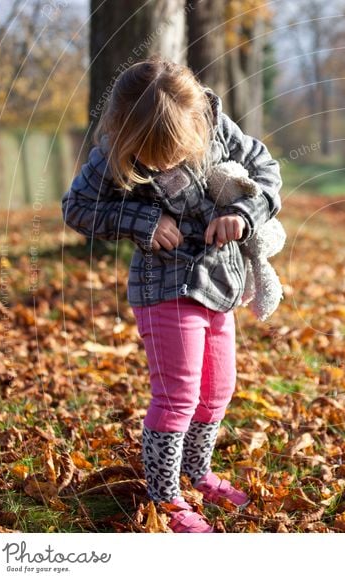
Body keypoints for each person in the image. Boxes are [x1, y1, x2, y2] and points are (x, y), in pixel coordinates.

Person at [61, 57, 283, 533]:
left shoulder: (217, 127)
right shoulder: (110, 153)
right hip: (162, 289)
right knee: (177, 394)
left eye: (176, 152)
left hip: (220, 285)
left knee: (218, 389)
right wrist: (141, 221)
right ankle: (165, 496)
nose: (164, 163)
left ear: (197, 126)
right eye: (150, 155)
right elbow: (76, 208)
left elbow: (267, 171)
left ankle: (197, 471)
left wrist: (243, 213)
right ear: (124, 135)